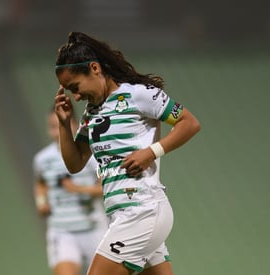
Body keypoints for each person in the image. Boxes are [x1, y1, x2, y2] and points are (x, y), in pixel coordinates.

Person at [53, 32, 201, 275]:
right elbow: (75, 163)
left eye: (75, 87)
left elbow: (189, 122)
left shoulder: (139, 94)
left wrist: (152, 152)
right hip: (122, 215)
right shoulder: (92, 113)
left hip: (142, 211)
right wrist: (63, 124)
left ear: (94, 68)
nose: (76, 97)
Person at [32, 107, 108, 275]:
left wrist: (78, 189)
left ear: (74, 124)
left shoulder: (91, 156)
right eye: (52, 127)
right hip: (62, 231)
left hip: (93, 228)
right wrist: (41, 203)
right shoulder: (43, 159)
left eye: (61, 126)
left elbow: (106, 187)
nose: (57, 132)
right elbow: (40, 184)